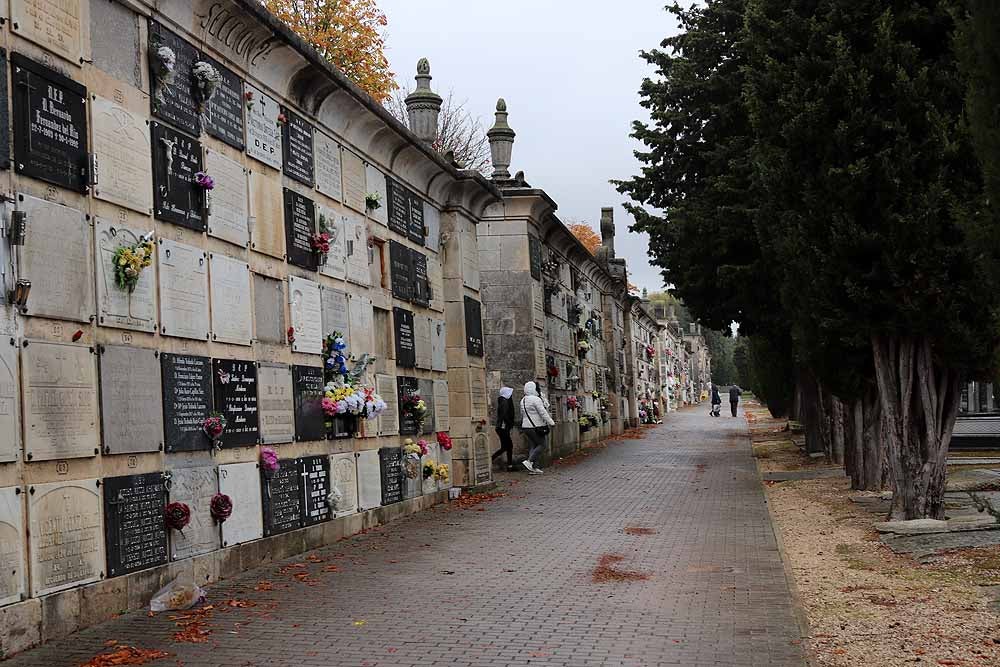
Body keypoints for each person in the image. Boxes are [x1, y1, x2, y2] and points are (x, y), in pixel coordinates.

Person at [520, 381, 555, 475]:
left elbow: (522, 413)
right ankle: (529, 461)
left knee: (534, 445)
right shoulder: (536, 399)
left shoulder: (523, 399)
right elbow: (543, 412)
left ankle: (534, 468)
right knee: (543, 445)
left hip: (526, 426)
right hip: (535, 426)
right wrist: (551, 422)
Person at [491, 386, 516, 471]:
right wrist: (509, 423)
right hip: (503, 427)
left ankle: (510, 465)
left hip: (502, 427)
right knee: (507, 446)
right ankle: (492, 459)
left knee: (507, 446)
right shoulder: (505, 402)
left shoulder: (503, 401)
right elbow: (504, 415)